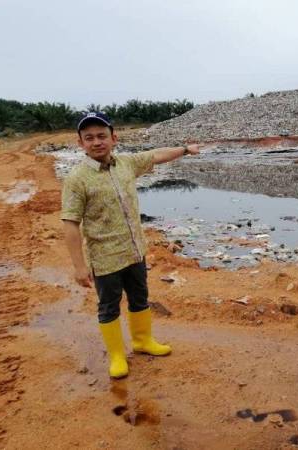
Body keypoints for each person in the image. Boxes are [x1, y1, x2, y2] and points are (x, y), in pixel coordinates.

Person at [61, 112, 200, 378]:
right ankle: (116, 356)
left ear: (113, 138)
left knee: (140, 298)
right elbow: (70, 223)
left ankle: (142, 341)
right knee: (109, 306)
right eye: (89, 138)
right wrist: (79, 266)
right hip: (105, 258)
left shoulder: (126, 164)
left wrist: (184, 150)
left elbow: (156, 155)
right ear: (80, 144)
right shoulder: (77, 179)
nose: (96, 142)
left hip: (135, 251)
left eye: (102, 136)